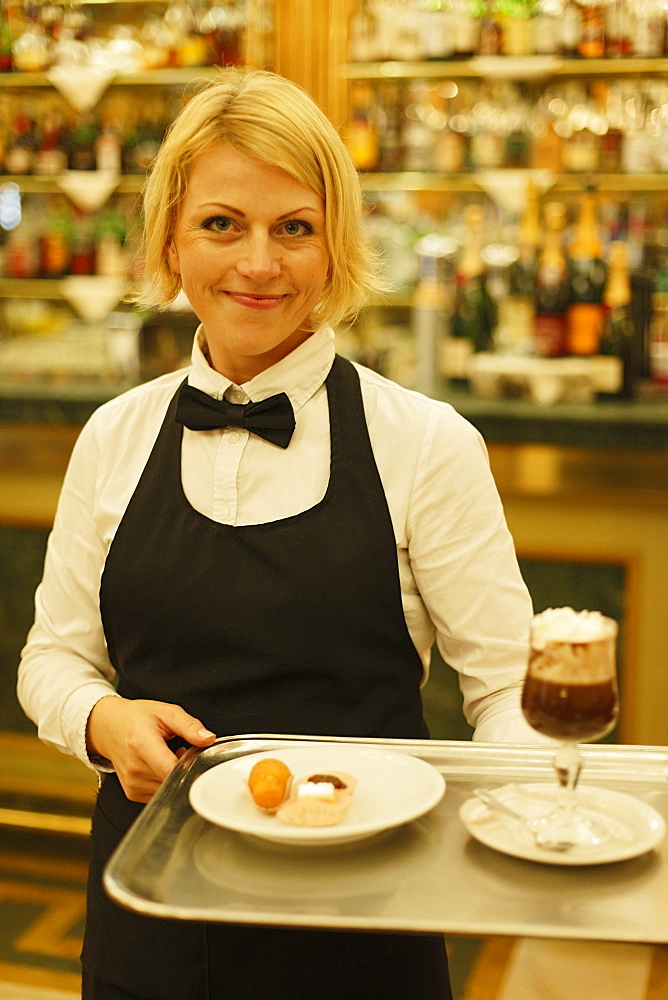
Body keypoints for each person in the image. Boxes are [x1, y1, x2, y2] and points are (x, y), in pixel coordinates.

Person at [18, 68, 542, 1000]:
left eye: (293, 228)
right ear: (170, 240)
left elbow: (509, 691)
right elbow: (52, 660)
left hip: (364, 919)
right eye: (222, 224)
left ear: (335, 247)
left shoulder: (425, 443)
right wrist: (103, 720)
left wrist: (518, 824)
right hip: (150, 913)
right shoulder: (115, 436)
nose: (258, 264)